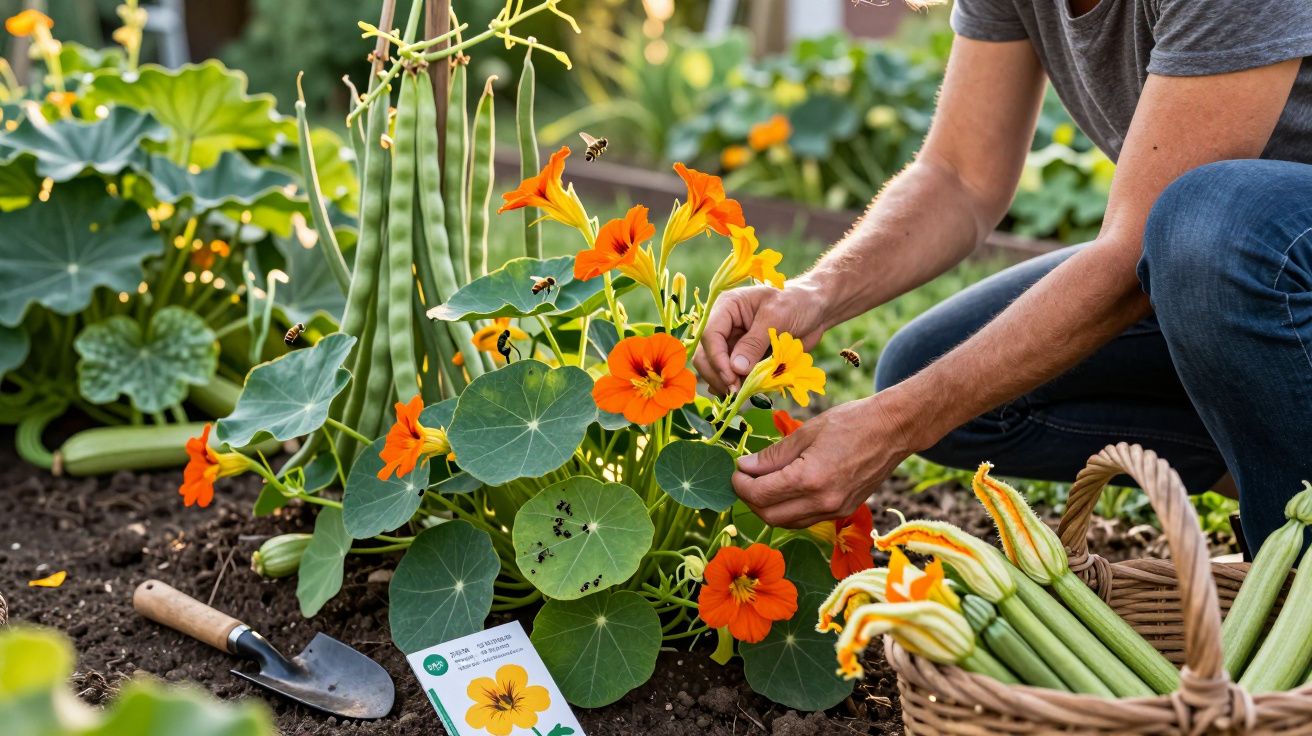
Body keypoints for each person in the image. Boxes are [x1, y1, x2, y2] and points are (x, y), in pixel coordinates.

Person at [694, 0, 1312, 549]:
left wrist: (894, 425)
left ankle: (1294, 566)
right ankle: (1275, 465)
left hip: (1253, 252)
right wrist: (814, 294)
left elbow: (1132, 252)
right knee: (930, 371)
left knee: (1208, 225)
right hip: (1260, 279)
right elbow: (959, 175)